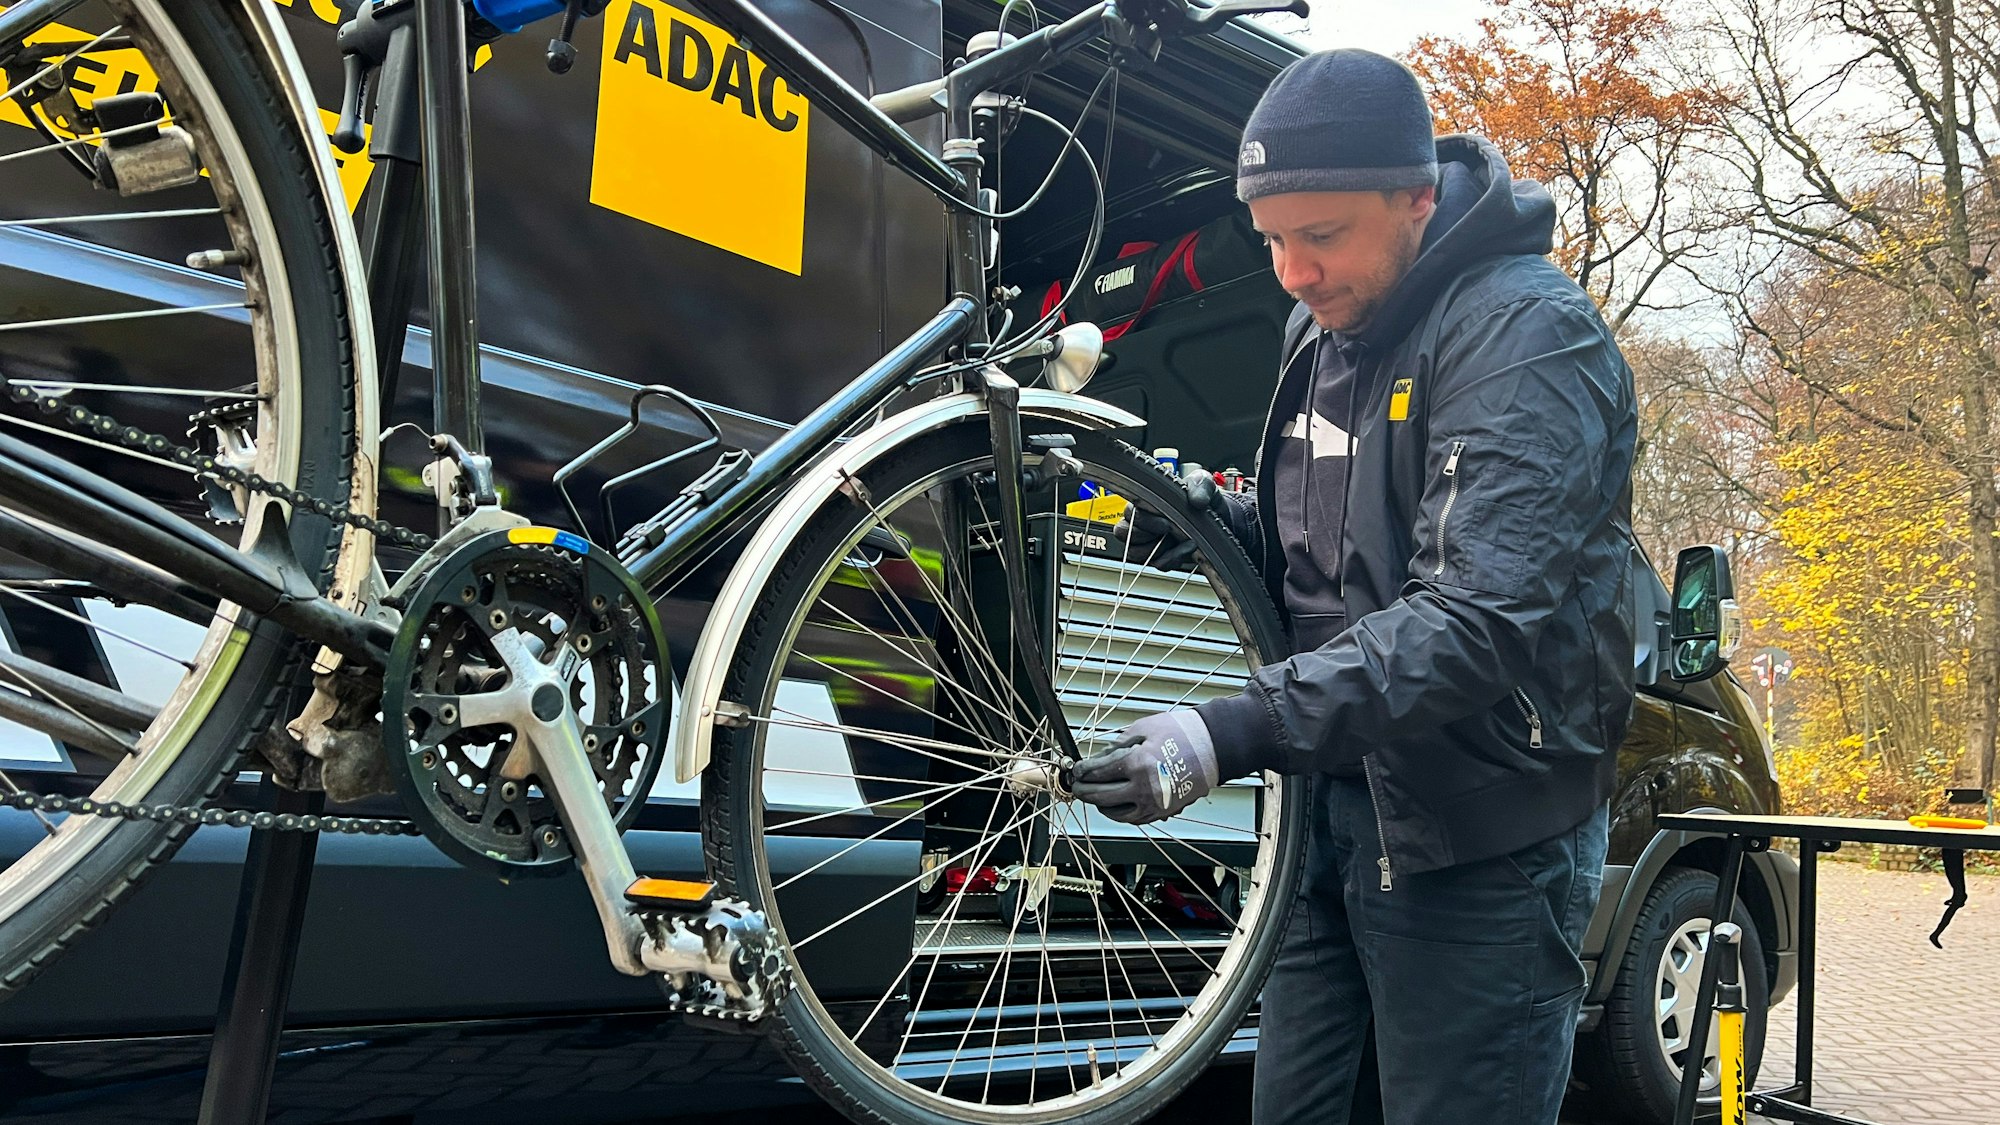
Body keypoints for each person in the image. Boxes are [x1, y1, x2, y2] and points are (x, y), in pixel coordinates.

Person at [1069, 48, 1638, 1125]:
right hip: (1327, 811)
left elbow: (1476, 616)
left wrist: (1229, 730)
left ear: (1416, 197)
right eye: (1272, 239)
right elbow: (1312, 555)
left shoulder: (1526, 335)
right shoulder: (1314, 327)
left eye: (1319, 236)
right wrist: (1175, 509)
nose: (1290, 271)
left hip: (1476, 831)